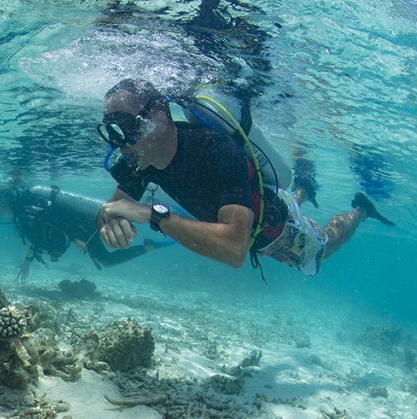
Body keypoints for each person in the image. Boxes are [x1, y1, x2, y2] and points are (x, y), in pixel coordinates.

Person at [95, 78, 394, 275]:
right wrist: (111, 222)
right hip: (255, 204)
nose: (119, 143)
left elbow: (235, 249)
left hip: (273, 232)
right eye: (111, 131)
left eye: (124, 127)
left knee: (323, 248)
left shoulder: (216, 151)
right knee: (289, 199)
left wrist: (153, 215)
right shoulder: (138, 158)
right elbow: (111, 209)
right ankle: (304, 185)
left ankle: (361, 210)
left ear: (159, 117)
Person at [0, 182, 166, 281]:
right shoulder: (24, 212)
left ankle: (152, 236)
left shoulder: (26, 211)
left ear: (6, 200)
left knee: (107, 260)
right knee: (111, 252)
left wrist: (75, 238)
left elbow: (57, 218)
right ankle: (154, 213)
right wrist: (27, 260)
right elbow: (37, 237)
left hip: (85, 227)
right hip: (82, 227)